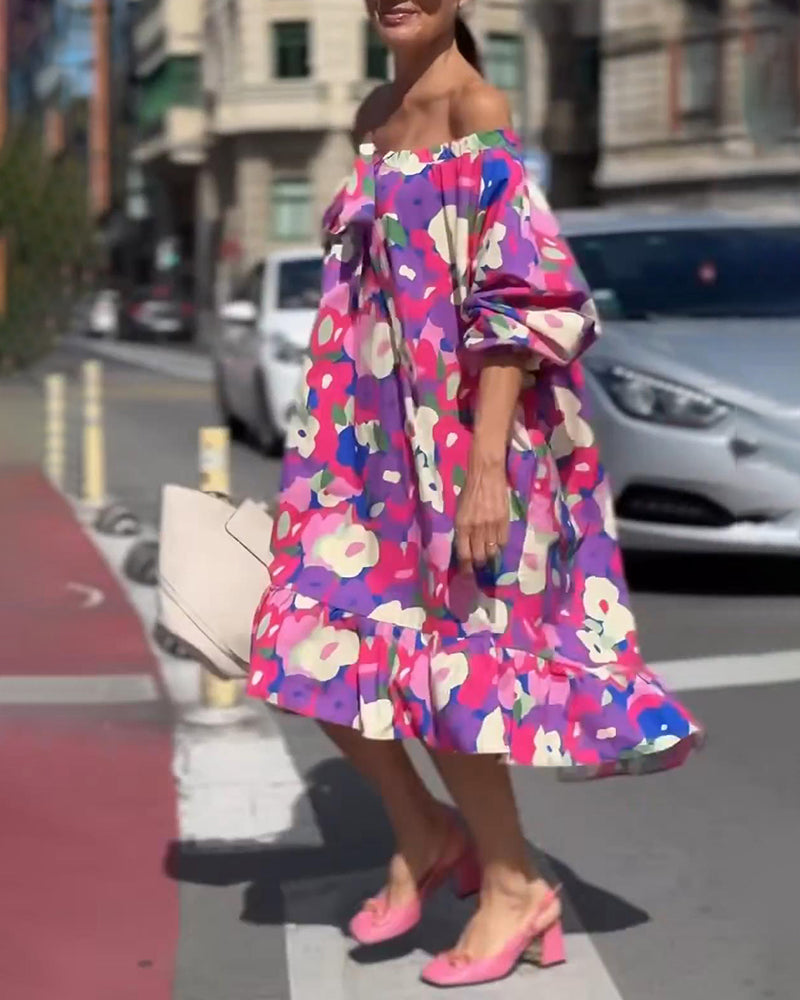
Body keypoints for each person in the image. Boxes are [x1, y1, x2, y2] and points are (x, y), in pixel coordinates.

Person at [248, 0, 703, 988]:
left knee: (448, 663)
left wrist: (484, 465)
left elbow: (517, 288)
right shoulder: (374, 114)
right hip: (359, 439)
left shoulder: (476, 106)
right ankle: (422, 831)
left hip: (456, 439)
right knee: (300, 640)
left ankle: (511, 884)